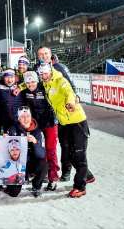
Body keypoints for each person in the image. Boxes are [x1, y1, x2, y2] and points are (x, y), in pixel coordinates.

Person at [38, 63, 91, 198]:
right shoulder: (45, 83)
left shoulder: (60, 81)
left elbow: (69, 93)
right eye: (41, 74)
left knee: (79, 155)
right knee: (68, 155)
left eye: (45, 73)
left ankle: (80, 187)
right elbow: (29, 83)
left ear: (50, 71)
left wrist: (71, 103)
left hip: (77, 122)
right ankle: (87, 175)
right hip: (64, 123)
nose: (43, 76)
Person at [20, 70, 59, 191]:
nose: (30, 84)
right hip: (35, 125)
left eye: (32, 81)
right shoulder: (25, 91)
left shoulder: (44, 87)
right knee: (36, 149)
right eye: (28, 82)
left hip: (49, 124)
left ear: (37, 80)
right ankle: (37, 174)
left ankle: (53, 178)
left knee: (51, 150)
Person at [6, 107, 48, 198]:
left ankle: (36, 186)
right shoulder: (13, 129)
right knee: (14, 193)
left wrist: (35, 143)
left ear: (31, 116)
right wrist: (4, 139)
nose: (25, 119)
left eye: (28, 116)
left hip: (32, 163)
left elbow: (42, 154)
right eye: (22, 117)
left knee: (44, 164)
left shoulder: (38, 131)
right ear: (18, 118)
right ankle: (12, 184)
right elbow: (5, 152)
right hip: (18, 164)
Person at [0, 68, 24, 134]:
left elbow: (32, 82)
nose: (9, 80)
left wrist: (21, 87)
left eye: (11, 77)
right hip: (4, 120)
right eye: (7, 77)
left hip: (17, 120)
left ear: (15, 77)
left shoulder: (19, 85)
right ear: (3, 78)